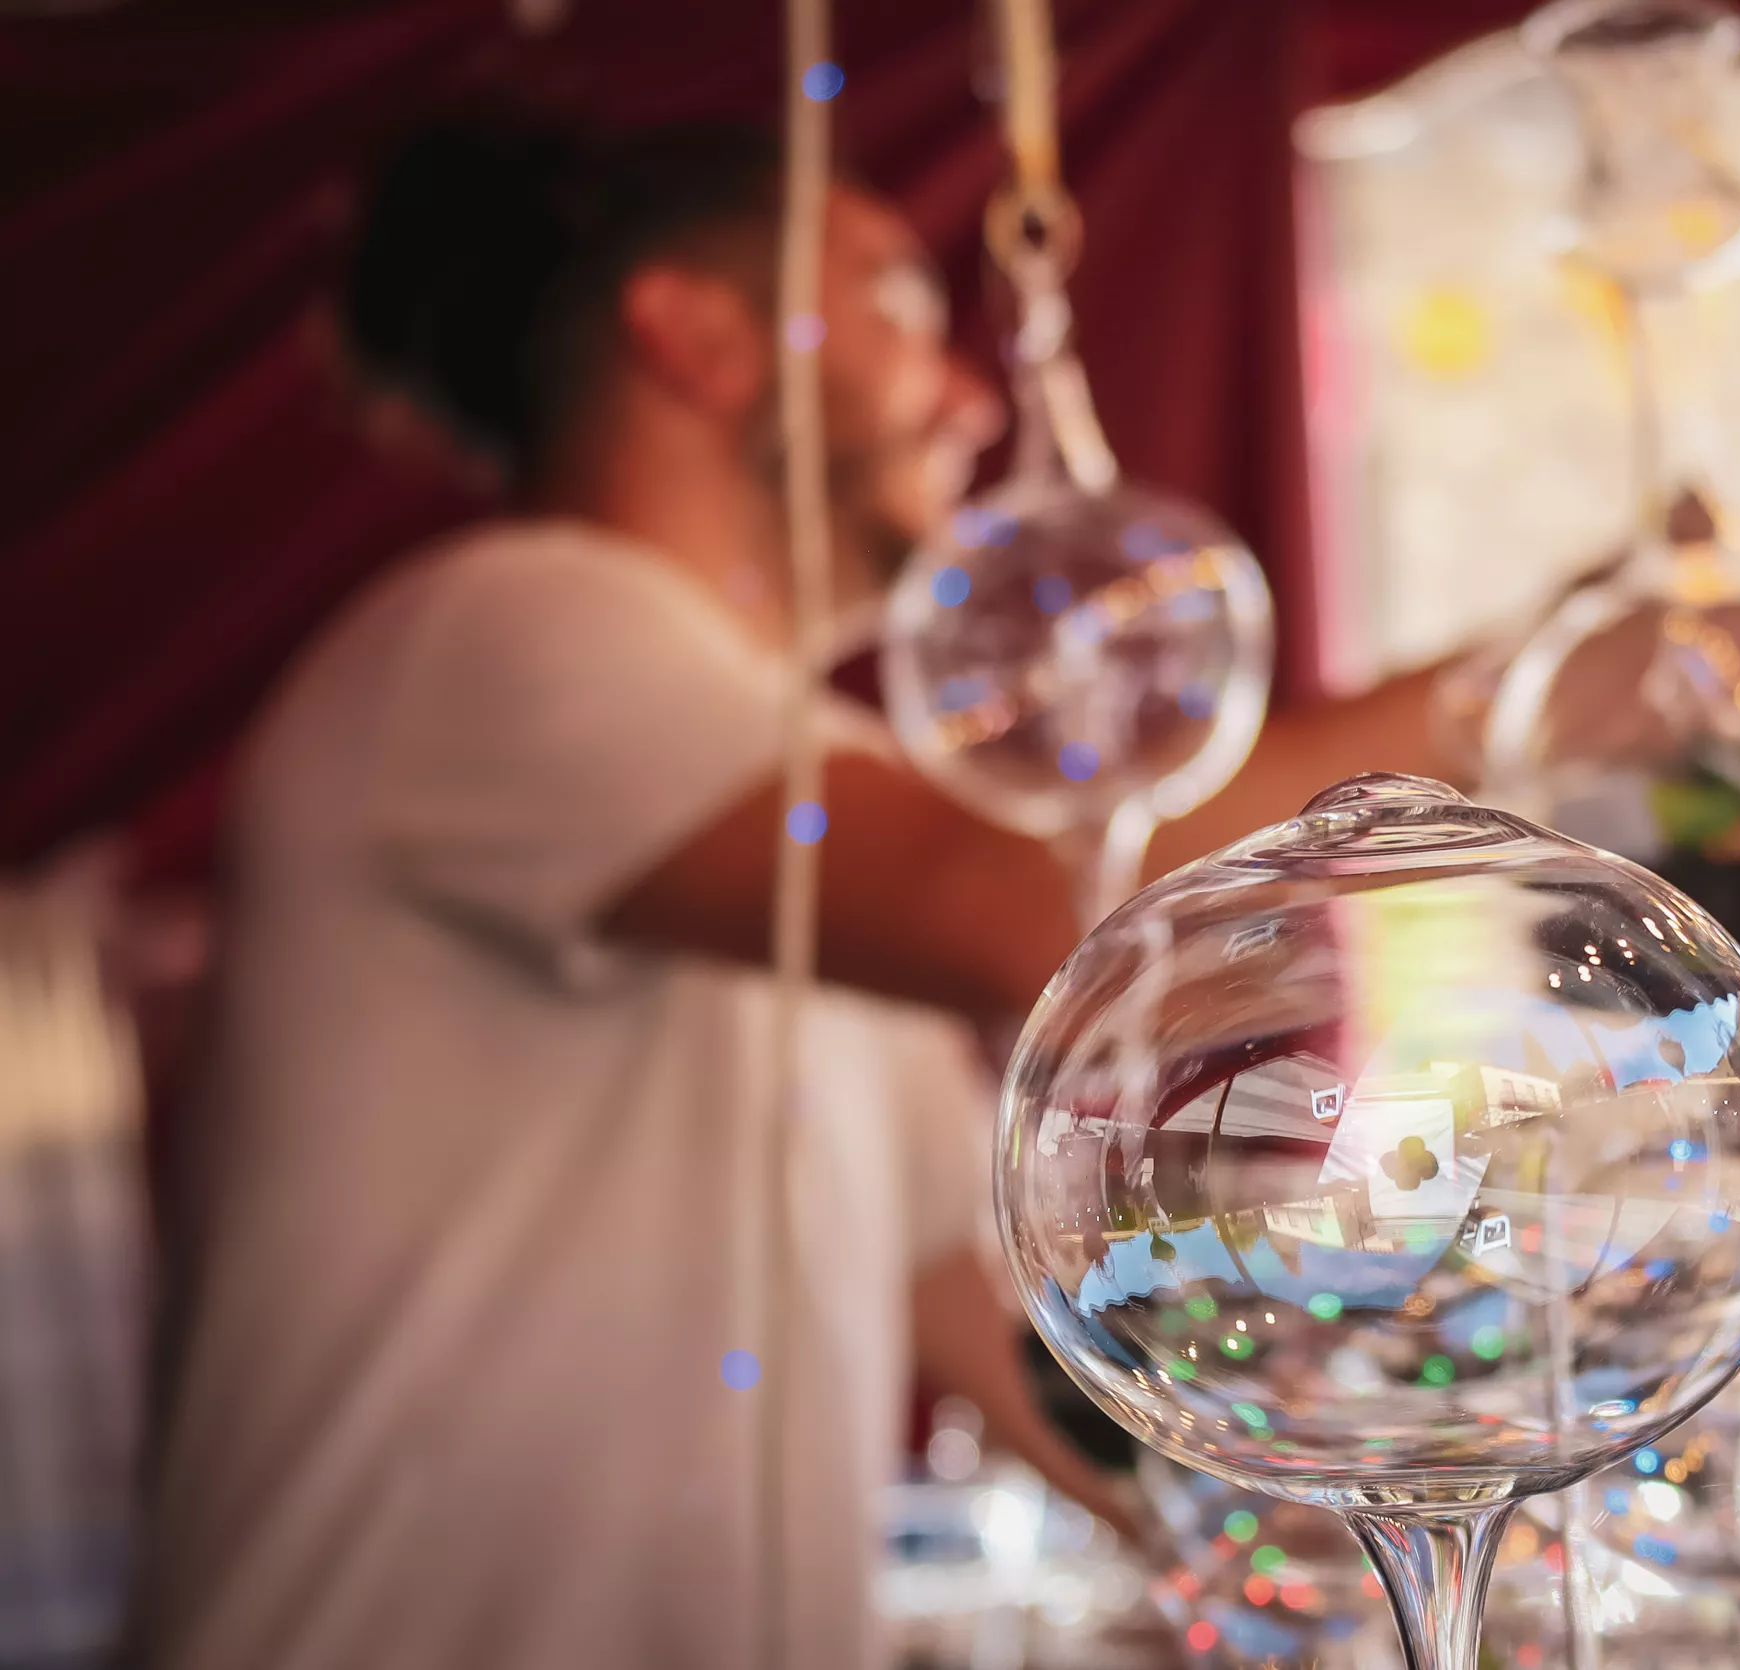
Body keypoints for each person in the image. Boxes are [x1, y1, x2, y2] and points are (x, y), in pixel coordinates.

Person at [130, 119, 1451, 1670]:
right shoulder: (505, 633)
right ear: (695, 336)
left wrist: (1321, 1547)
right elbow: (1054, 911)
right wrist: (1540, 694)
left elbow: (958, 1293)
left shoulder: (787, 780)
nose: (967, 397)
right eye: (898, 306)